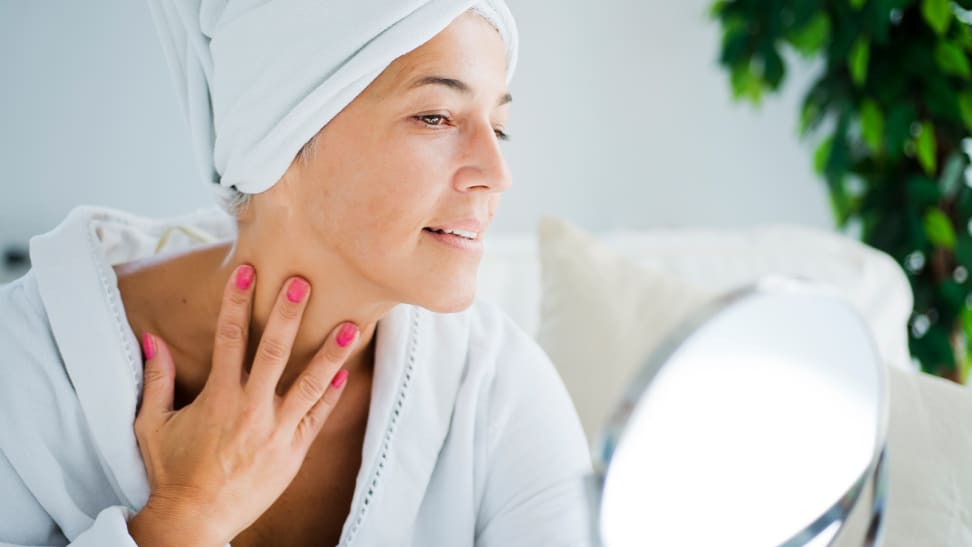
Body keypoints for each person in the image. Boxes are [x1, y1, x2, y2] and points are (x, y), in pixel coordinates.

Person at [0, 1, 593, 546]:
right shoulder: (24, 369)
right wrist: (182, 520)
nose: (497, 172)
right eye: (436, 117)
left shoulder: (497, 386)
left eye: (500, 126)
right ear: (276, 142)